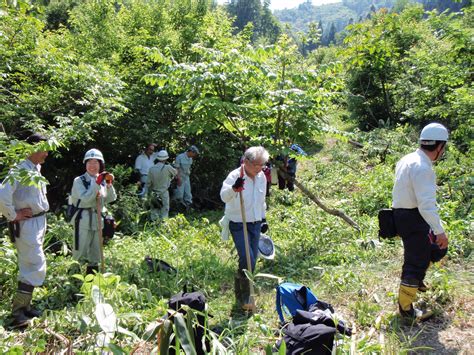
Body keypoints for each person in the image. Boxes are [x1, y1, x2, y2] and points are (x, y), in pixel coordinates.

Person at [392, 123, 449, 322]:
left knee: (434, 249)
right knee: (415, 262)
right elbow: (426, 205)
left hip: (403, 215)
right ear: (440, 146)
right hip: (415, 217)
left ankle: (416, 282)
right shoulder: (423, 167)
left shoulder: (408, 159)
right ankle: (406, 310)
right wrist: (440, 231)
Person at [0, 133, 49, 328]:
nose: (46, 153)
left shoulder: (35, 168)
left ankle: (25, 307)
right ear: (32, 149)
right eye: (43, 149)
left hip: (37, 222)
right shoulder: (20, 169)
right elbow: (2, 194)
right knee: (35, 263)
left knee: (29, 264)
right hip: (26, 225)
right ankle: (18, 312)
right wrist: (13, 215)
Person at [220, 146, 269, 311]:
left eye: (261, 164)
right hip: (238, 222)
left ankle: (242, 291)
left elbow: (261, 200)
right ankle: (246, 296)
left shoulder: (261, 176)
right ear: (246, 161)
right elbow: (223, 196)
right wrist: (234, 188)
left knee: (252, 258)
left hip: (255, 223)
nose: (259, 168)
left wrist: (263, 219)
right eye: (256, 164)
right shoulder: (235, 176)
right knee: (247, 257)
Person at [69, 149, 116, 275]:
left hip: (97, 220)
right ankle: (73, 283)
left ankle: (92, 282)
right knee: (80, 252)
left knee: (95, 253)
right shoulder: (79, 181)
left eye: (96, 162)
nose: (92, 166)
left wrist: (109, 184)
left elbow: (110, 199)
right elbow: (86, 199)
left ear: (101, 164)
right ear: (85, 164)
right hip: (82, 219)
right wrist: (97, 183)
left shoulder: (101, 180)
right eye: (89, 162)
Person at [146, 150, 177, 220]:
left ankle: (154, 225)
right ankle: (163, 226)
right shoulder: (168, 167)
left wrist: (148, 194)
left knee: (154, 210)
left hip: (154, 193)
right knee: (164, 211)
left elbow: (148, 183)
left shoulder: (151, 169)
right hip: (164, 192)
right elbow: (176, 173)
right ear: (166, 159)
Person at [173, 145, 199, 209]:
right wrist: (178, 178)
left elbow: (188, 168)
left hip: (186, 177)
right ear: (191, 152)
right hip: (180, 177)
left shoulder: (190, 159)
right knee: (179, 194)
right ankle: (177, 209)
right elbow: (176, 168)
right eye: (194, 153)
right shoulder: (180, 157)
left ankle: (188, 208)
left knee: (188, 194)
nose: (194, 155)